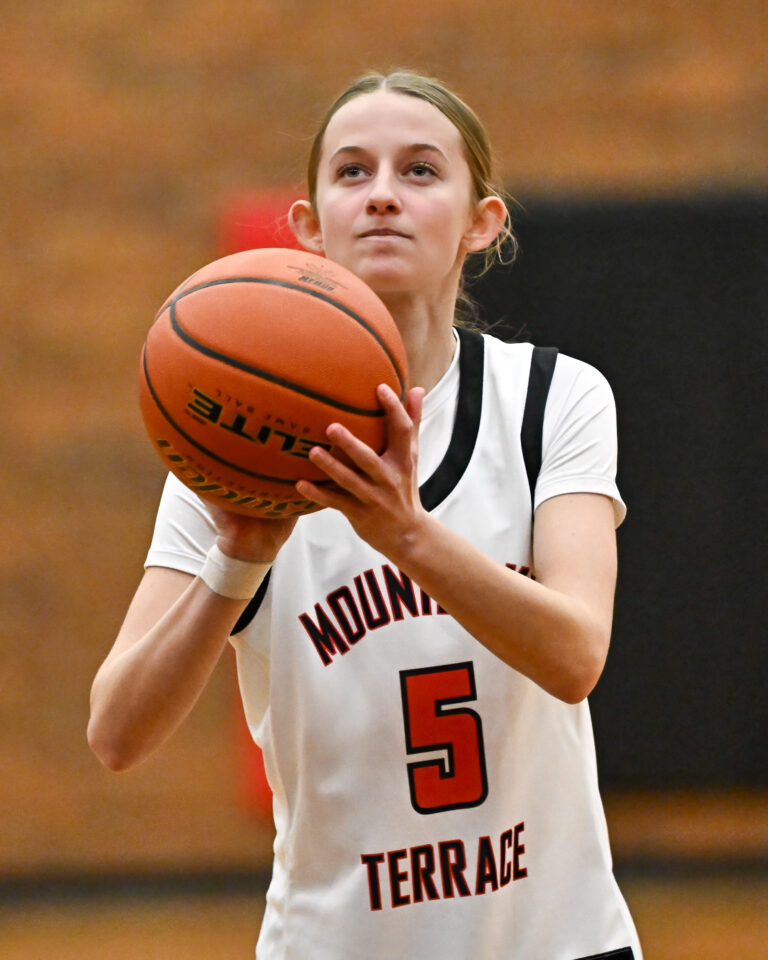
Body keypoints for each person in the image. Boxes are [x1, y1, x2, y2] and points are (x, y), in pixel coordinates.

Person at [88, 70, 643, 959]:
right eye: (352, 171)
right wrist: (236, 561)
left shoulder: (550, 399)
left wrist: (408, 536)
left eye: (420, 170)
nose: (383, 194)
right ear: (310, 226)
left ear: (481, 221)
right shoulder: (230, 443)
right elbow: (117, 733)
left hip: (559, 942)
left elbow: (576, 656)